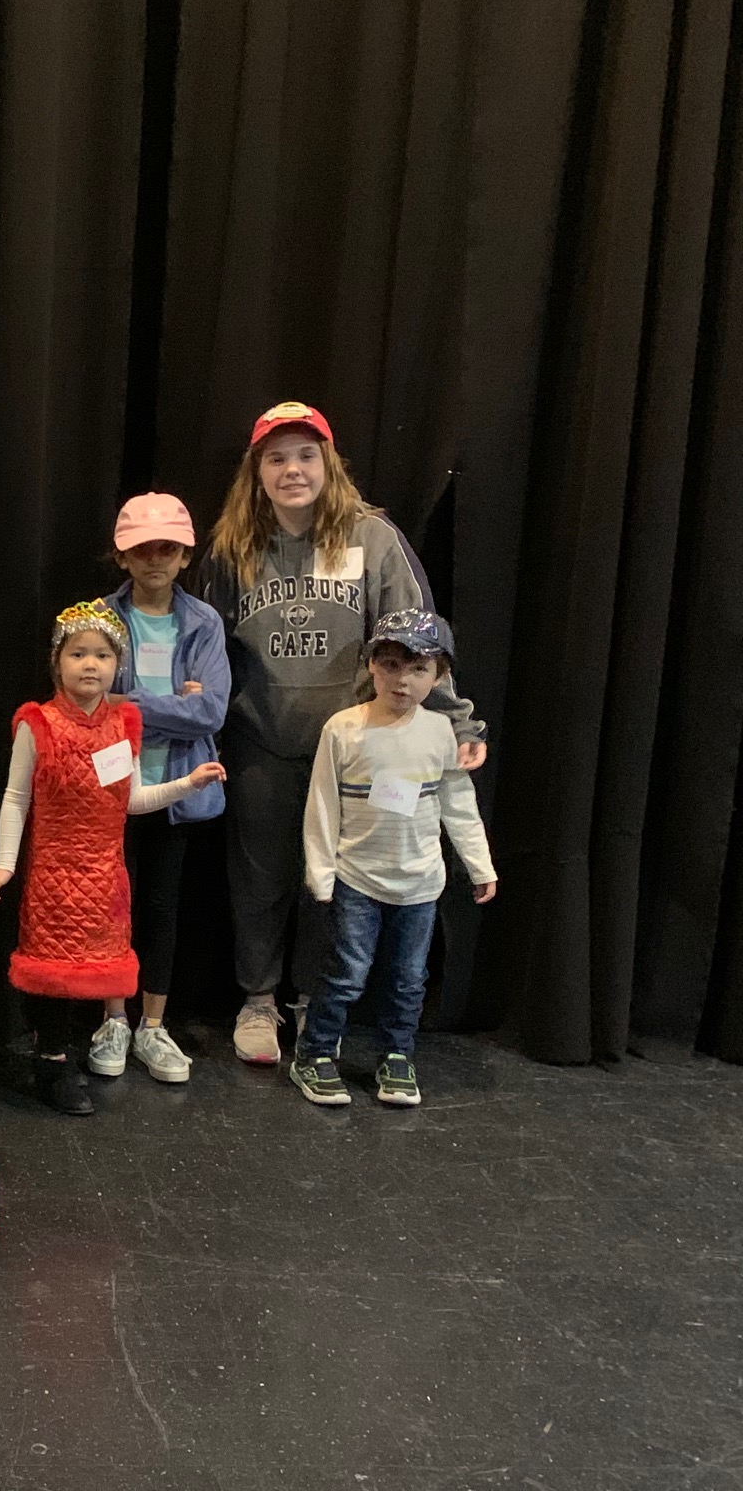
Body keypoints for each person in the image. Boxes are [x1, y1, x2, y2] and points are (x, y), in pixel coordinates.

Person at [199, 402, 488, 1067]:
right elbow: (205, 647)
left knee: (331, 881)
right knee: (260, 879)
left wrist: (455, 718)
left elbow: (417, 635)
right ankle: (259, 1000)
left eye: (305, 455)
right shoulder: (231, 547)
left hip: (356, 747)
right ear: (257, 470)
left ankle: (311, 1003)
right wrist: (201, 731)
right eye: (276, 457)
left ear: (328, 463)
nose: (292, 469)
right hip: (261, 742)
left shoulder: (372, 539)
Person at [0, 602, 225, 1116]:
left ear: (118, 665)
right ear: (58, 662)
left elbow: (131, 800)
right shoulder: (38, 723)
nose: (89, 664)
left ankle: (68, 1056)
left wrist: (186, 783)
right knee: (52, 970)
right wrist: (6, 862)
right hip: (53, 871)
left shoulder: (126, 723)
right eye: (77, 653)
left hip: (103, 875)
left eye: (101, 655)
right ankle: (52, 1061)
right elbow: (16, 797)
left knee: (91, 971)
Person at [292, 610, 496, 1107]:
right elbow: (323, 804)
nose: (402, 680)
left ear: (439, 676)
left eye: (418, 669)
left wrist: (480, 865)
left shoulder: (441, 734)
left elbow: (458, 805)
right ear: (372, 667)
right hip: (356, 878)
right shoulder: (343, 729)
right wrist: (320, 873)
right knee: (346, 974)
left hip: (421, 883)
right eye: (390, 664)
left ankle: (397, 1055)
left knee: (409, 980)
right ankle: (315, 1054)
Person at [94, 493, 230, 1084]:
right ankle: (113, 1017)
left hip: (177, 787)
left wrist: (132, 705)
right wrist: (179, 703)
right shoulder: (97, 618)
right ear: (123, 557)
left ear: (184, 556)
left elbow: (213, 714)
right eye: (142, 549)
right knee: (110, 905)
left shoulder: (203, 621)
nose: (155, 559)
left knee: (161, 907)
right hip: (108, 786)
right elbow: (88, 702)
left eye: (167, 549)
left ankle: (153, 1025)